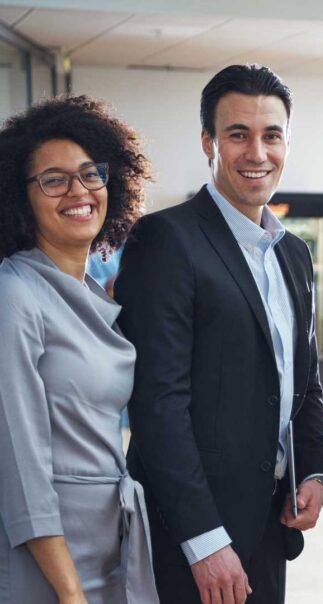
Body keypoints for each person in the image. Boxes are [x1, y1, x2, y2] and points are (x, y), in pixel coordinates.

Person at [115, 64, 323, 604]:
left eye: (271, 135)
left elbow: (301, 376)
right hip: (193, 539)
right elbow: (157, 404)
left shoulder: (294, 253)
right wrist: (204, 539)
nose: (257, 153)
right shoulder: (166, 241)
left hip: (267, 525)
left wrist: (315, 470)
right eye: (238, 134)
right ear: (209, 141)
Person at [0, 95, 156, 603]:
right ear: (21, 198)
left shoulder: (91, 294)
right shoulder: (15, 293)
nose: (78, 191)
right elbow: (18, 461)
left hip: (110, 548)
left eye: (91, 174)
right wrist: (69, 592)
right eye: (53, 179)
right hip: (45, 560)